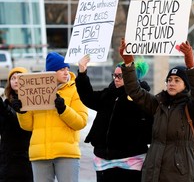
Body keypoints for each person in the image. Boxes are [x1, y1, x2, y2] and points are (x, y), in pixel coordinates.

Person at [119, 38, 194, 182]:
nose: (171, 83)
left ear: (186, 85)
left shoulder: (192, 108)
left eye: (177, 80)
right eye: (169, 80)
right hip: (153, 173)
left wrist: (191, 65)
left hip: (179, 175)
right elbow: (135, 92)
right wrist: (128, 63)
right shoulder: (158, 104)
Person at [75, 54, 153, 182]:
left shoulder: (142, 99)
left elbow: (151, 127)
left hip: (131, 162)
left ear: (131, 77)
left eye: (120, 76)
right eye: (115, 75)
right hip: (103, 161)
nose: (116, 79)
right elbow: (88, 97)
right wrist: (82, 73)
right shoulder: (108, 94)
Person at [14, 52, 88, 182]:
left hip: (66, 153)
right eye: (61, 69)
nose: (66, 72)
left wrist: (63, 109)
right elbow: (27, 126)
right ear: (51, 72)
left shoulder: (75, 90)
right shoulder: (35, 89)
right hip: (40, 154)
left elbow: (81, 122)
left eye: (67, 69)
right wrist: (21, 111)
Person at [0, 67, 33, 182]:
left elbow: (22, 124)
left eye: (19, 77)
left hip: (27, 156)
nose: (15, 81)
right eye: (13, 78)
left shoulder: (33, 102)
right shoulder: (5, 102)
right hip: (7, 156)